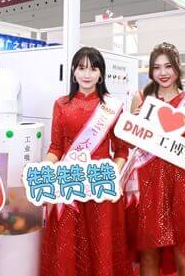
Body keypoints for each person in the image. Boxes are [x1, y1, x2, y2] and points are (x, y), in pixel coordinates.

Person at [125, 42, 185, 276]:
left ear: (178, 67)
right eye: (157, 67)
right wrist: (135, 124)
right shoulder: (141, 99)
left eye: (168, 66)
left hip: (182, 184)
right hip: (148, 184)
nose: (163, 72)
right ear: (151, 71)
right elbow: (129, 145)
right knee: (149, 255)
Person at [40, 47, 131, 276]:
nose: (87, 74)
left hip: (100, 184)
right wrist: (44, 169)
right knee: (68, 244)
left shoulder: (112, 106)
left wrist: (113, 174)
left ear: (101, 74)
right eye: (81, 68)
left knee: (100, 245)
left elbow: (122, 151)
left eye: (93, 69)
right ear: (73, 71)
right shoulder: (61, 104)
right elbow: (56, 148)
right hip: (69, 183)